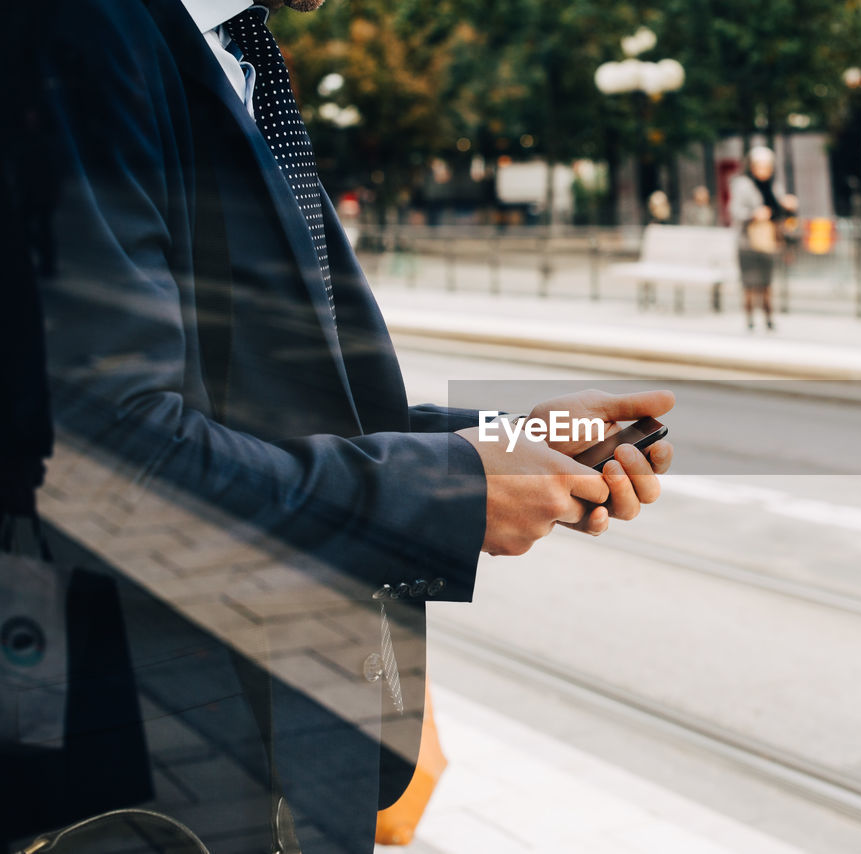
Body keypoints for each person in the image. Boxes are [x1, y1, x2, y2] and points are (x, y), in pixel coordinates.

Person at [31, 0, 674, 849]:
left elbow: (257, 401)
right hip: (160, 781)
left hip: (265, 758)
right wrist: (450, 493)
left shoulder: (218, 46)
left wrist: (504, 446)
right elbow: (108, 459)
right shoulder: (75, 29)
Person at [728, 147, 798, 331]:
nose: (763, 170)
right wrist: (754, 214)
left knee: (766, 283)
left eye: (767, 166)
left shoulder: (775, 186)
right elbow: (735, 211)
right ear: (751, 166)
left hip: (768, 241)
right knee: (750, 283)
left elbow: (781, 214)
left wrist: (789, 206)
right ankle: (749, 319)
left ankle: (768, 318)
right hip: (747, 242)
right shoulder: (742, 184)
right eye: (760, 166)